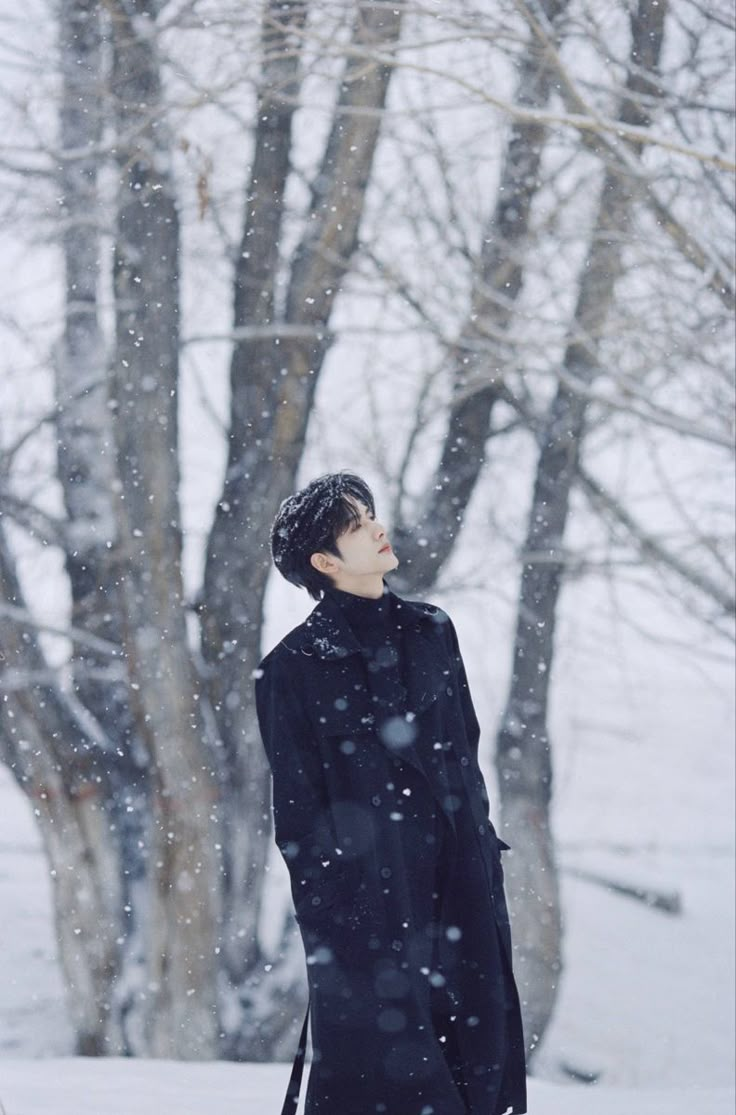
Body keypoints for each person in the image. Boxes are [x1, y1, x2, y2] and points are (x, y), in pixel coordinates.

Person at [255, 472, 527, 1115]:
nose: (378, 528)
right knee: (384, 1081)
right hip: (370, 908)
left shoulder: (434, 631)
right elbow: (296, 815)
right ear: (324, 562)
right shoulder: (290, 668)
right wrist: (339, 913)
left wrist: (482, 855)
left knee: (477, 1063)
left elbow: (465, 751)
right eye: (357, 526)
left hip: (460, 885)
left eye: (370, 515)